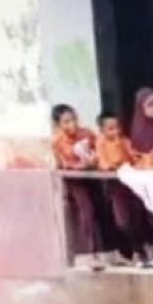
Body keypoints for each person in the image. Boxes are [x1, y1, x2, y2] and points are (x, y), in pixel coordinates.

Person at [95, 111, 153, 267]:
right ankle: (137, 249)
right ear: (102, 130)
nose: (115, 131)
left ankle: (146, 250)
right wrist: (116, 164)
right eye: (110, 128)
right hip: (117, 188)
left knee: (139, 217)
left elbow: (134, 158)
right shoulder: (101, 143)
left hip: (132, 186)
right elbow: (104, 164)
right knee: (123, 221)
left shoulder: (125, 141)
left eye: (117, 127)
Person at [51, 104, 102, 269]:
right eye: (66, 122)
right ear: (58, 125)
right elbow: (63, 163)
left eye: (73, 119)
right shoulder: (58, 141)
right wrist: (79, 166)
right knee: (86, 211)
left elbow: (99, 148)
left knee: (102, 210)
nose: (72, 124)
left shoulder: (87, 134)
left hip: (94, 177)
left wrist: (95, 158)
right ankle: (91, 254)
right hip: (75, 181)